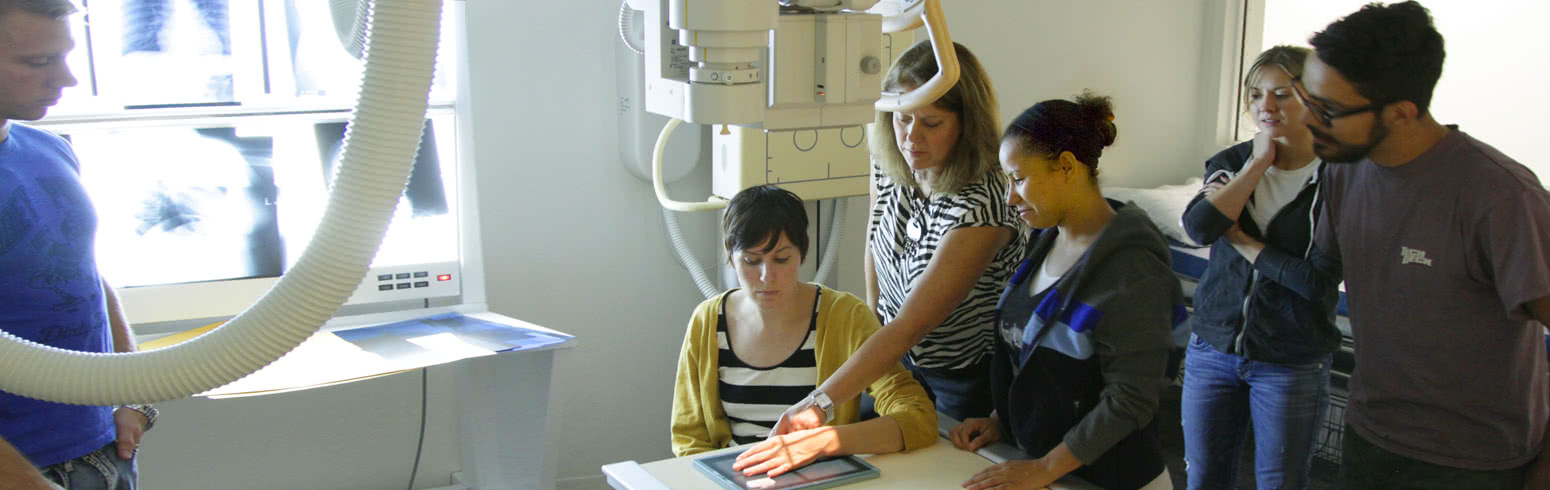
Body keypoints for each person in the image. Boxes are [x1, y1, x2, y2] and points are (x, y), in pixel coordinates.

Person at [1295, 2, 1550, 488]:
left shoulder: (1501, 197)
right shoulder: (1342, 171)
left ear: (1401, 113)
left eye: (1326, 109)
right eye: (1307, 97)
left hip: (1476, 463)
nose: (1308, 119)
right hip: (1371, 438)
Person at [771, 39, 1023, 432]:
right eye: (902, 118)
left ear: (967, 124)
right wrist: (873, 325)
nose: (911, 138)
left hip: (965, 375)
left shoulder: (983, 203)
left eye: (932, 123)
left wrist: (818, 403)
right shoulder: (893, 161)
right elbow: (876, 243)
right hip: (894, 353)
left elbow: (912, 325)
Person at [949, 93, 1179, 490]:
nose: (1010, 197)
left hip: (1110, 478)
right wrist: (1000, 419)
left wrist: (1045, 468)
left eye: (1019, 179)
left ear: (1067, 167)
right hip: (1051, 469)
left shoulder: (1132, 267)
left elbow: (1131, 400)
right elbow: (1034, 355)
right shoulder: (1046, 241)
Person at [670, 185, 936, 478]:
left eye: (782, 259)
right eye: (751, 260)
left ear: (803, 252)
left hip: (820, 479)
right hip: (735, 478)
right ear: (730, 257)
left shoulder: (845, 317)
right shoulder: (707, 323)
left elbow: (918, 418)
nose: (766, 276)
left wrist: (825, 442)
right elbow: (689, 440)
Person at [0, 1, 155, 489]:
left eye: (63, 57)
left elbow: (84, 273)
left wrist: (132, 392)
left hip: (100, 447)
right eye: (37, 62)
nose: (64, 80)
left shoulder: (50, 148)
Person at [1177, 45, 1342, 490]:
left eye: (1283, 94)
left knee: (1278, 483)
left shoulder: (1339, 177)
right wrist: (1257, 164)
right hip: (1213, 349)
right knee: (1204, 477)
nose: (1265, 106)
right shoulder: (1232, 162)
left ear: (1316, 98)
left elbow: (1316, 283)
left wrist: (1245, 241)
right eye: (1255, 94)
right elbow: (1200, 227)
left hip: (1291, 361)